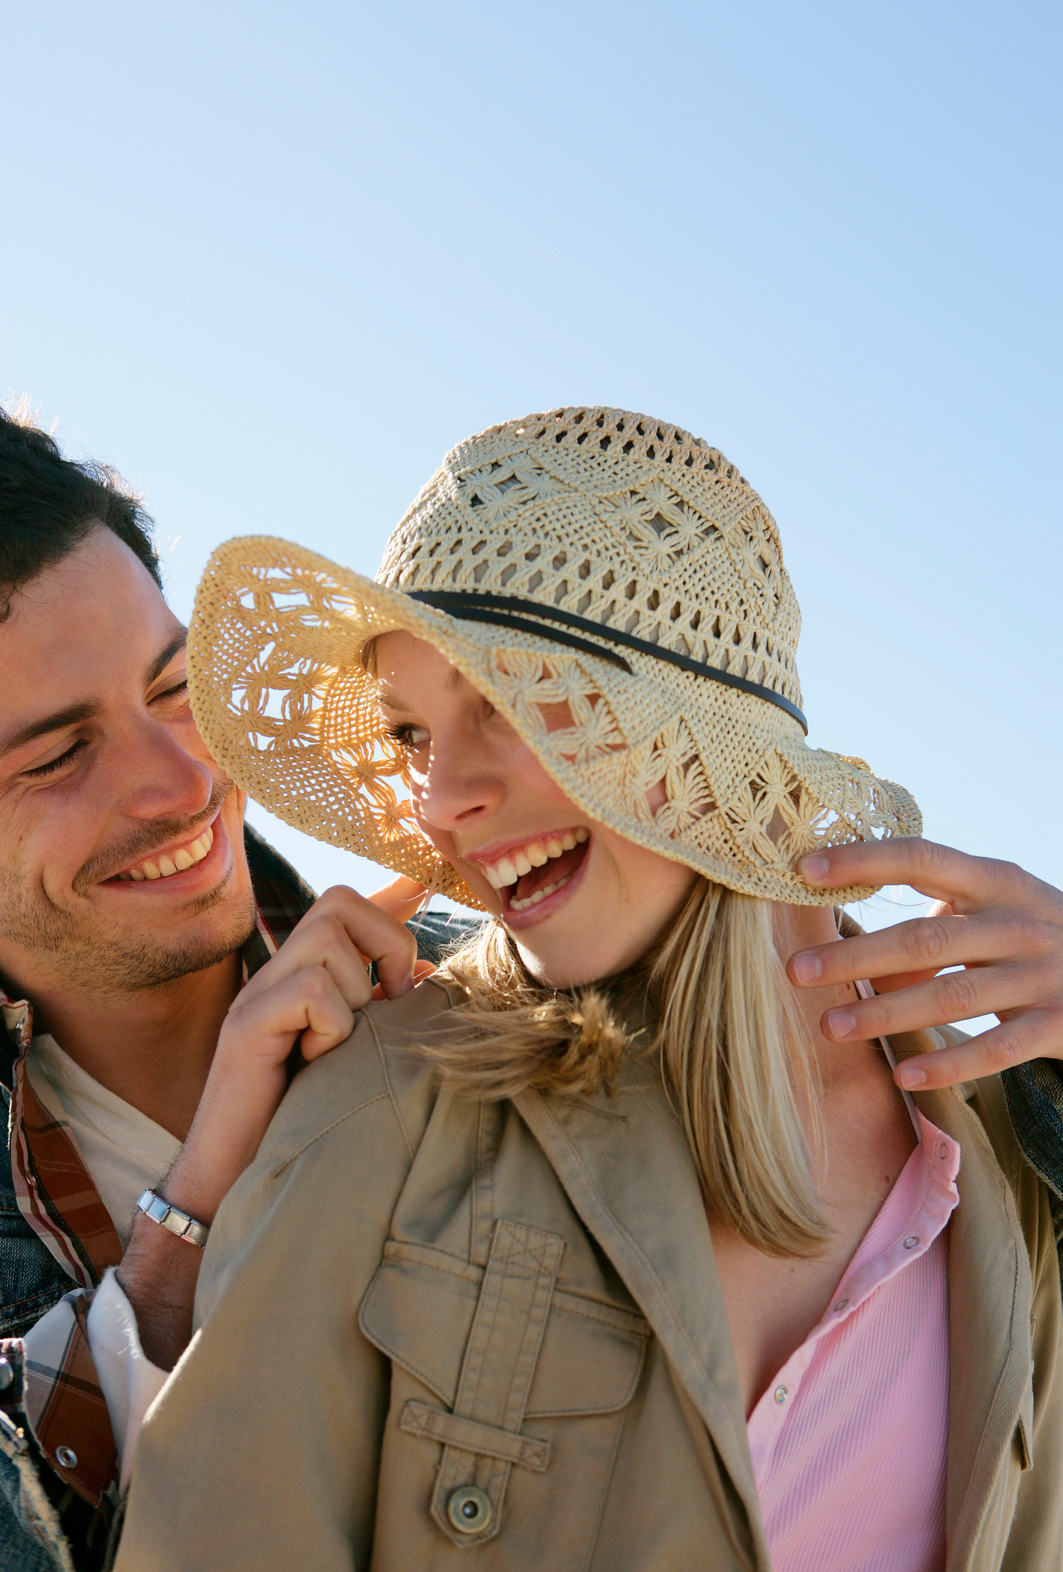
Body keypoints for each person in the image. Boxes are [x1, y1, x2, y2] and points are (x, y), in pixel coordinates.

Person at [116, 407, 1063, 1571]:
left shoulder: (1013, 1160)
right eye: (414, 734)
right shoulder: (387, 1098)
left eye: (506, 704)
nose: (436, 801)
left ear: (700, 745)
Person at [0, 403, 471, 1571]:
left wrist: (1007, 1058)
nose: (182, 781)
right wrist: (194, 1215)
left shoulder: (489, 975)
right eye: (58, 756)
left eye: (173, 688)